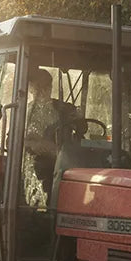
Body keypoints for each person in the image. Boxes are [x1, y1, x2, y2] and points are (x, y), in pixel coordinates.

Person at [24, 67, 79, 203]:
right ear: (30, 89)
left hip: (64, 167)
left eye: (45, 87)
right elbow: (13, 141)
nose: (42, 92)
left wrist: (79, 118)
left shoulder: (64, 109)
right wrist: (35, 144)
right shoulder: (24, 113)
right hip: (34, 169)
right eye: (37, 88)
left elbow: (81, 130)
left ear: (50, 87)